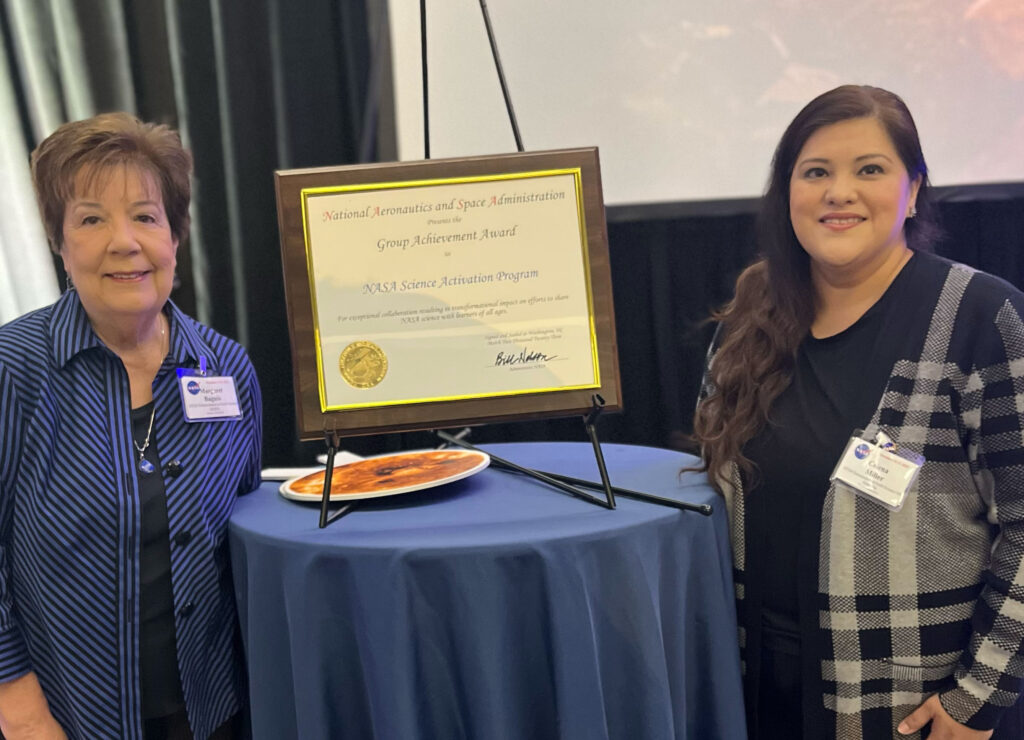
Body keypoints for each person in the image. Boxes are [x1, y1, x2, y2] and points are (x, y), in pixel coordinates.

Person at [693, 85, 1024, 739]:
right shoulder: (749, 320)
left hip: (913, 711)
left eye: (869, 170)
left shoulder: (980, 317)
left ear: (914, 188)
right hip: (758, 693)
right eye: (816, 172)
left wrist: (976, 697)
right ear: (787, 191)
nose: (838, 192)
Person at [0, 113, 262, 739]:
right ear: (59, 245)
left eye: (145, 216)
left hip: (214, 709)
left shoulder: (226, 367)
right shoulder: (14, 369)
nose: (124, 241)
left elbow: (251, 534)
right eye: (91, 219)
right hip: (64, 716)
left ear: (176, 236)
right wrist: (19, 706)